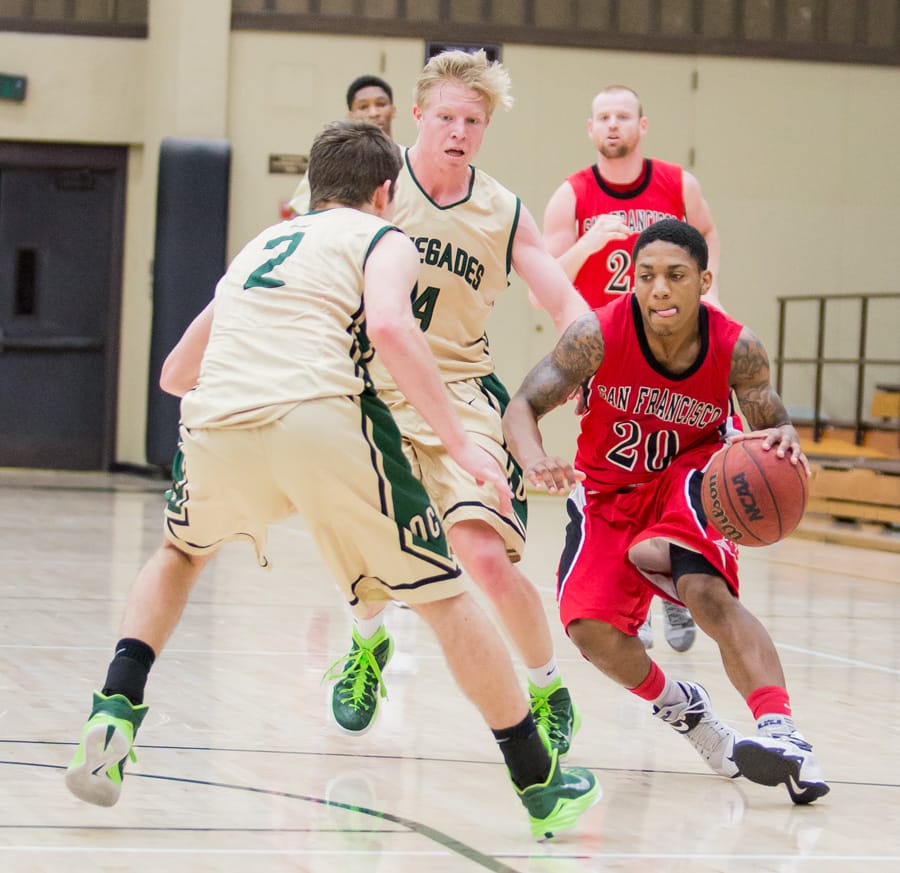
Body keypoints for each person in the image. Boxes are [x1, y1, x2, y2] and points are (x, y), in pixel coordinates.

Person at [64, 120, 600, 840]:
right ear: (386, 192)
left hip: (215, 424)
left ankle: (114, 707)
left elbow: (173, 375)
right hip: (317, 417)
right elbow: (389, 327)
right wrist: (462, 446)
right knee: (445, 598)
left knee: (181, 554)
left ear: (312, 187)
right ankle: (541, 782)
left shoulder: (259, 247)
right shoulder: (383, 238)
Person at [502, 219, 829, 805]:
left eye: (675, 276)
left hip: (692, 479)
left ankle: (782, 730)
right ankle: (686, 710)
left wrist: (785, 442)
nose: (658, 289)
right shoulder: (596, 335)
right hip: (606, 492)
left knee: (705, 589)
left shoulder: (736, 348)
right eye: (646, 275)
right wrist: (532, 456)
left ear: (703, 281)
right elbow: (523, 401)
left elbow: (772, 423)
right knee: (590, 630)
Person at [324, 50, 592, 758]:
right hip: (371, 388)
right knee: (370, 553)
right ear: (416, 116)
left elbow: (562, 302)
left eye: (473, 120)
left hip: (462, 391)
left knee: (485, 558)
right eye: (445, 116)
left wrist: (593, 365)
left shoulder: (503, 211)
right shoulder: (371, 187)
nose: (458, 131)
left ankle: (546, 684)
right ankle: (367, 644)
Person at [542, 83, 724, 652]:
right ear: (590, 130)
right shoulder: (572, 196)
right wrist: (591, 242)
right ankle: (636, 596)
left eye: (623, 116)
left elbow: (708, 237)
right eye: (603, 117)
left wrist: (712, 306)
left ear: (642, 125)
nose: (613, 125)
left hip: (681, 349)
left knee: (691, 463)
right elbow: (547, 283)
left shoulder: (678, 184)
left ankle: (684, 584)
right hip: (613, 354)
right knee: (620, 474)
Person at [288, 74, 397, 216]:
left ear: (393, 111)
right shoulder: (334, 160)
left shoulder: (409, 161)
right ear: (350, 116)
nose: (373, 113)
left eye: (380, 104)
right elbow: (300, 212)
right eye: (363, 106)